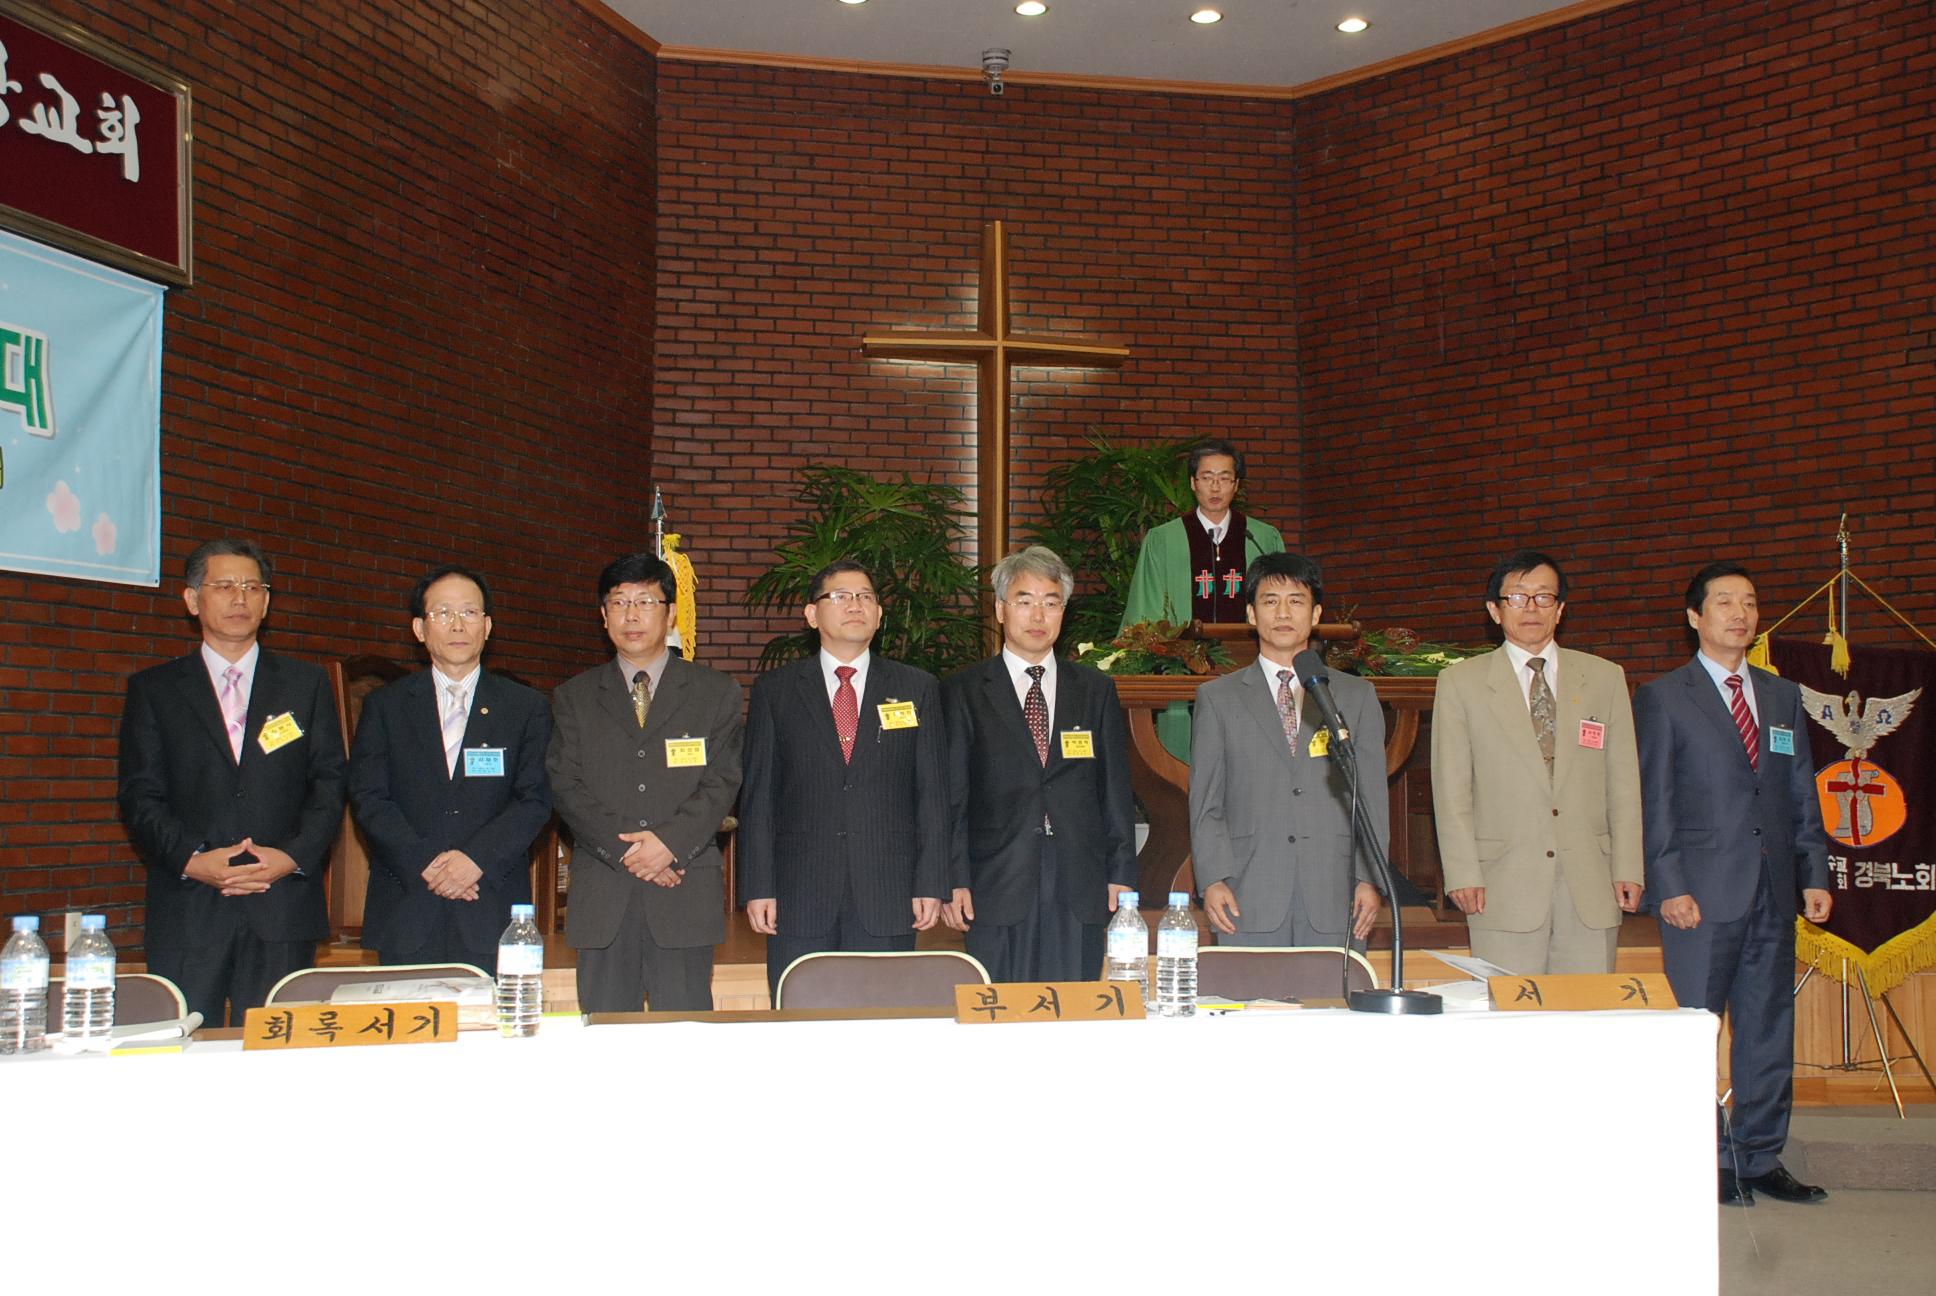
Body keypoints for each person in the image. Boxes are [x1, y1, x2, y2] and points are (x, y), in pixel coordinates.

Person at [1635, 562, 1832, 1207]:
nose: (1739, 614)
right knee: (1697, 1030)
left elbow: (1800, 790)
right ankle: (1710, 1161)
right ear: (1695, 617)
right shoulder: (1665, 696)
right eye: (1724, 602)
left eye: (1748, 602)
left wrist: (1813, 872)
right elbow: (1655, 800)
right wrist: (1669, 884)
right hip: (1699, 893)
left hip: (1774, 888)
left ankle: (1760, 1157)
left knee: (1769, 1029)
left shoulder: (1781, 696)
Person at [117, 537, 346, 1024]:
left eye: (252, 587)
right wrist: (192, 860)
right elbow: (140, 795)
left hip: (281, 906)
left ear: (266, 602)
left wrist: (290, 857)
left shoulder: (305, 685)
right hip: (189, 908)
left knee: (276, 1050)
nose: (240, 598)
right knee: (177, 1044)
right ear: (192, 599)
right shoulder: (155, 689)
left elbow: (329, 784)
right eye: (224, 586)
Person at [738, 560, 948, 999]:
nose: (856, 605)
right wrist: (758, 886)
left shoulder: (917, 687)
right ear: (811, 615)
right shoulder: (776, 691)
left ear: (879, 614)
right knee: (803, 1019)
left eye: (866, 597)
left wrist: (930, 882)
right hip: (798, 894)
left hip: (888, 890)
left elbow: (931, 793)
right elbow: (758, 798)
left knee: (883, 1020)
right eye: (841, 596)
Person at [547, 553, 742, 1013]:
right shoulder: (574, 696)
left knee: (685, 1031)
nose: (631, 615)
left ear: (670, 613)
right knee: (606, 1033)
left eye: (645, 602)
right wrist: (631, 852)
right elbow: (565, 785)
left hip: (683, 889)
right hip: (605, 892)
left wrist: (669, 844)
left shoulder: (715, 692)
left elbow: (722, 780)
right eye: (619, 603)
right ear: (603, 616)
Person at [1431, 551, 1643, 974]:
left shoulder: (1604, 678)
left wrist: (1628, 867)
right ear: (1495, 610)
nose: (1531, 608)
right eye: (1517, 597)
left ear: (1560, 609)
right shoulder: (1461, 682)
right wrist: (1461, 871)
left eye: (1544, 597)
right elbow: (1452, 789)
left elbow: (1623, 782)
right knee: (1511, 1008)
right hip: (1500, 884)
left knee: (1587, 1009)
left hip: (1590, 882)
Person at [941, 546, 1137, 981]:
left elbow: (1114, 790)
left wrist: (1122, 874)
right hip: (995, 879)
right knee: (999, 1006)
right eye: (1024, 601)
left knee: (1075, 1005)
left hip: (1079, 879)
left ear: (1063, 612)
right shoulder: (963, 691)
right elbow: (953, 795)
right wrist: (953, 878)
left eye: (1051, 603)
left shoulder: (1095, 689)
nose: (1037, 615)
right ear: (1000, 609)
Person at [347, 564, 552, 972]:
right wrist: (426, 863)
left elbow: (535, 798)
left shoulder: (526, 707)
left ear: (487, 626)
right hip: (407, 904)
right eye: (443, 613)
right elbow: (369, 797)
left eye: (470, 612)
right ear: (419, 629)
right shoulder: (386, 706)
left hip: (490, 904)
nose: (458, 624)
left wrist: (475, 860)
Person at [1189, 552, 1385, 948]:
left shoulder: (1356, 696)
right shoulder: (1218, 698)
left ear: (1315, 614)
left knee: (1331, 989)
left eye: (1296, 601)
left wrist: (1369, 878)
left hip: (1335, 891)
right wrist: (1212, 878)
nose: (1283, 612)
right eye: (1270, 601)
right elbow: (1207, 802)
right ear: (1251, 613)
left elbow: (1372, 797)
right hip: (1246, 889)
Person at [1120, 438, 1286, 630]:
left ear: (1236, 485)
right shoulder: (1164, 540)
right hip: (1182, 648)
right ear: (1193, 483)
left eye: (1224, 478)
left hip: (1249, 647)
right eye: (1207, 478)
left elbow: (1281, 601)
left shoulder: (1263, 538)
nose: (1215, 488)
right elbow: (1147, 608)